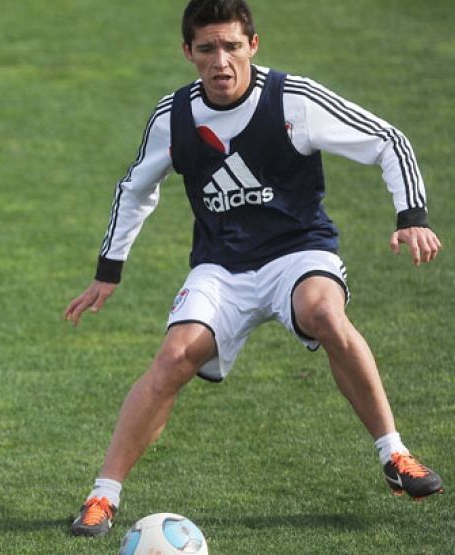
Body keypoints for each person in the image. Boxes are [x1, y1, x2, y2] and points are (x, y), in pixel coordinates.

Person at [65, 0, 444, 538]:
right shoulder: (173, 116)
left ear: (253, 45)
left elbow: (389, 140)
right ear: (188, 53)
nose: (221, 61)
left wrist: (411, 215)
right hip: (221, 266)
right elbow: (135, 190)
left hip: (298, 252)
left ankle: (396, 457)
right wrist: (109, 269)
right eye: (207, 49)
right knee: (173, 357)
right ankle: (102, 496)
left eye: (232, 47)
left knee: (325, 314)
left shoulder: (294, 98)